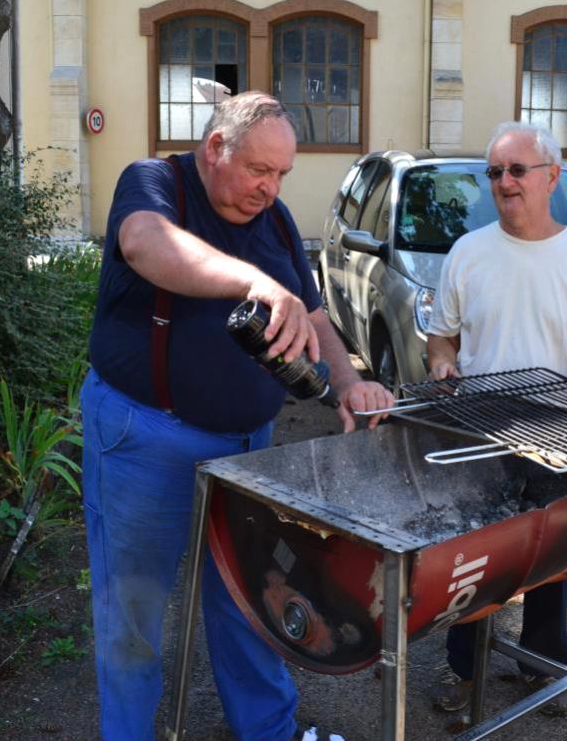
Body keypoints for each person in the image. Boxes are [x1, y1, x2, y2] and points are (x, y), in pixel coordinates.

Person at [80, 91, 394, 740]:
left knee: (251, 598)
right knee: (133, 615)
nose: (270, 187)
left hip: (248, 445)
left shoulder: (275, 220)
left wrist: (350, 385)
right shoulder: (154, 183)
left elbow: (311, 315)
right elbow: (145, 245)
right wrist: (251, 281)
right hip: (147, 437)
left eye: (281, 174)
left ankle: (270, 733)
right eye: (259, 170)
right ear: (216, 148)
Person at [424, 121, 567, 714]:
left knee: (550, 556)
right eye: (495, 172)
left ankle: (541, 667)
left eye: (516, 170)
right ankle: (464, 671)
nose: (504, 182)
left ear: (551, 177)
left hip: (558, 430)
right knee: (474, 554)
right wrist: (442, 366)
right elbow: (441, 340)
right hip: (479, 428)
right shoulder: (468, 252)